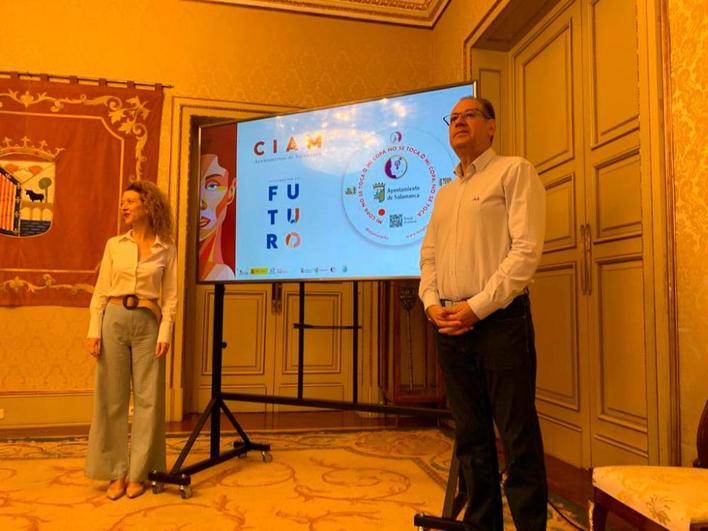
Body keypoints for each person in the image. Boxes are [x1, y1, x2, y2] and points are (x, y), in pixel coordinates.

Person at [419, 96, 548, 530]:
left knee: (517, 436)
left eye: (469, 115)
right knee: (471, 437)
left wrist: (477, 307)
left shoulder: (514, 171)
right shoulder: (444, 193)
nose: (459, 122)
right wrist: (433, 304)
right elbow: (429, 259)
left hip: (501, 322)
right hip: (449, 325)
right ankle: (482, 523)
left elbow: (526, 252)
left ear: (491, 126)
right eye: (452, 118)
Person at [85, 180, 178, 500]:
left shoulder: (166, 249)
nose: (123, 206)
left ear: (148, 207)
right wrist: (93, 330)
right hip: (113, 320)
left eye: (130, 202)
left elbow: (171, 298)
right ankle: (115, 472)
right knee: (111, 399)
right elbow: (100, 290)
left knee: (149, 401)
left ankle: (140, 472)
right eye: (122, 202)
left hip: (148, 325)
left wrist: (166, 331)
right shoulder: (115, 245)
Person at [198, 153, 235, 281]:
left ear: (231, 191)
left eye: (212, 186)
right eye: (196, 187)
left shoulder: (224, 274)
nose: (200, 202)